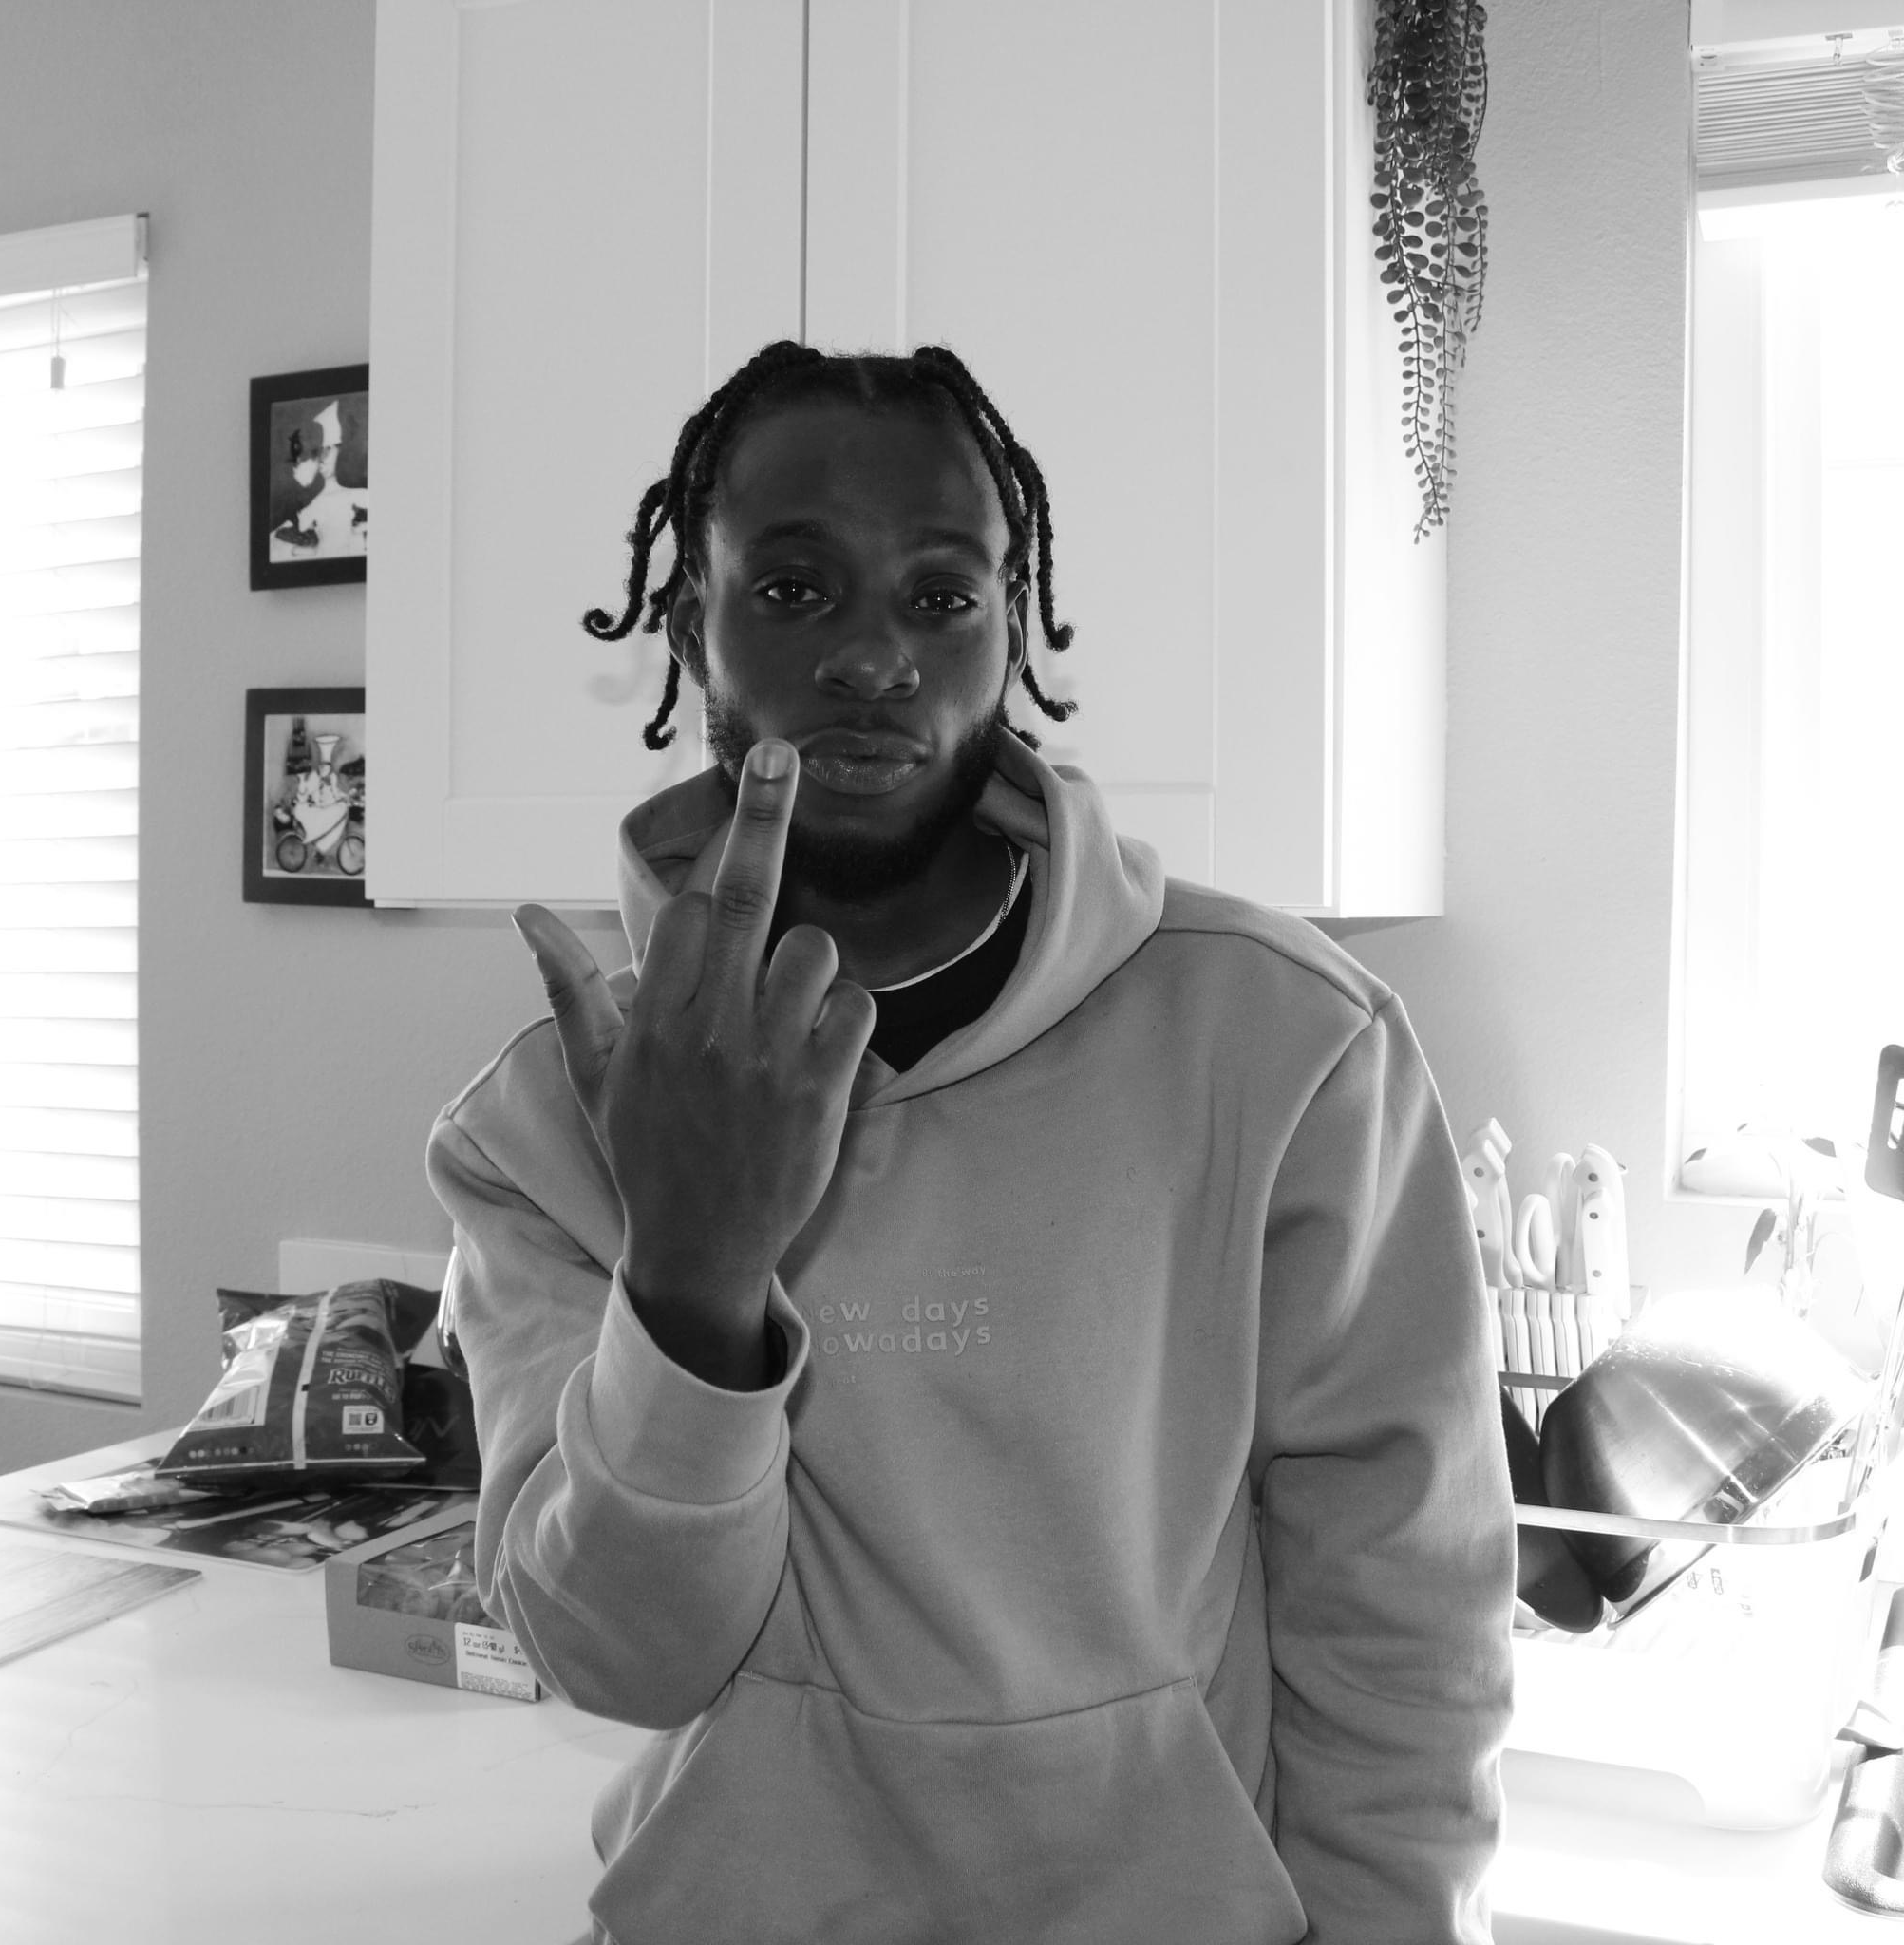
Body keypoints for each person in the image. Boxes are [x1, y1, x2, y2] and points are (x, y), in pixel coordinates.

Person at [426, 340, 1516, 1944]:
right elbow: (622, 1658)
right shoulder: (552, 1118)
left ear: (1012, 628)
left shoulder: (1287, 1044)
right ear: (690, 624)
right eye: (792, 589)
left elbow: (1405, 1605)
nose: (877, 657)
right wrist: (695, 1278)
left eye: (942, 597)